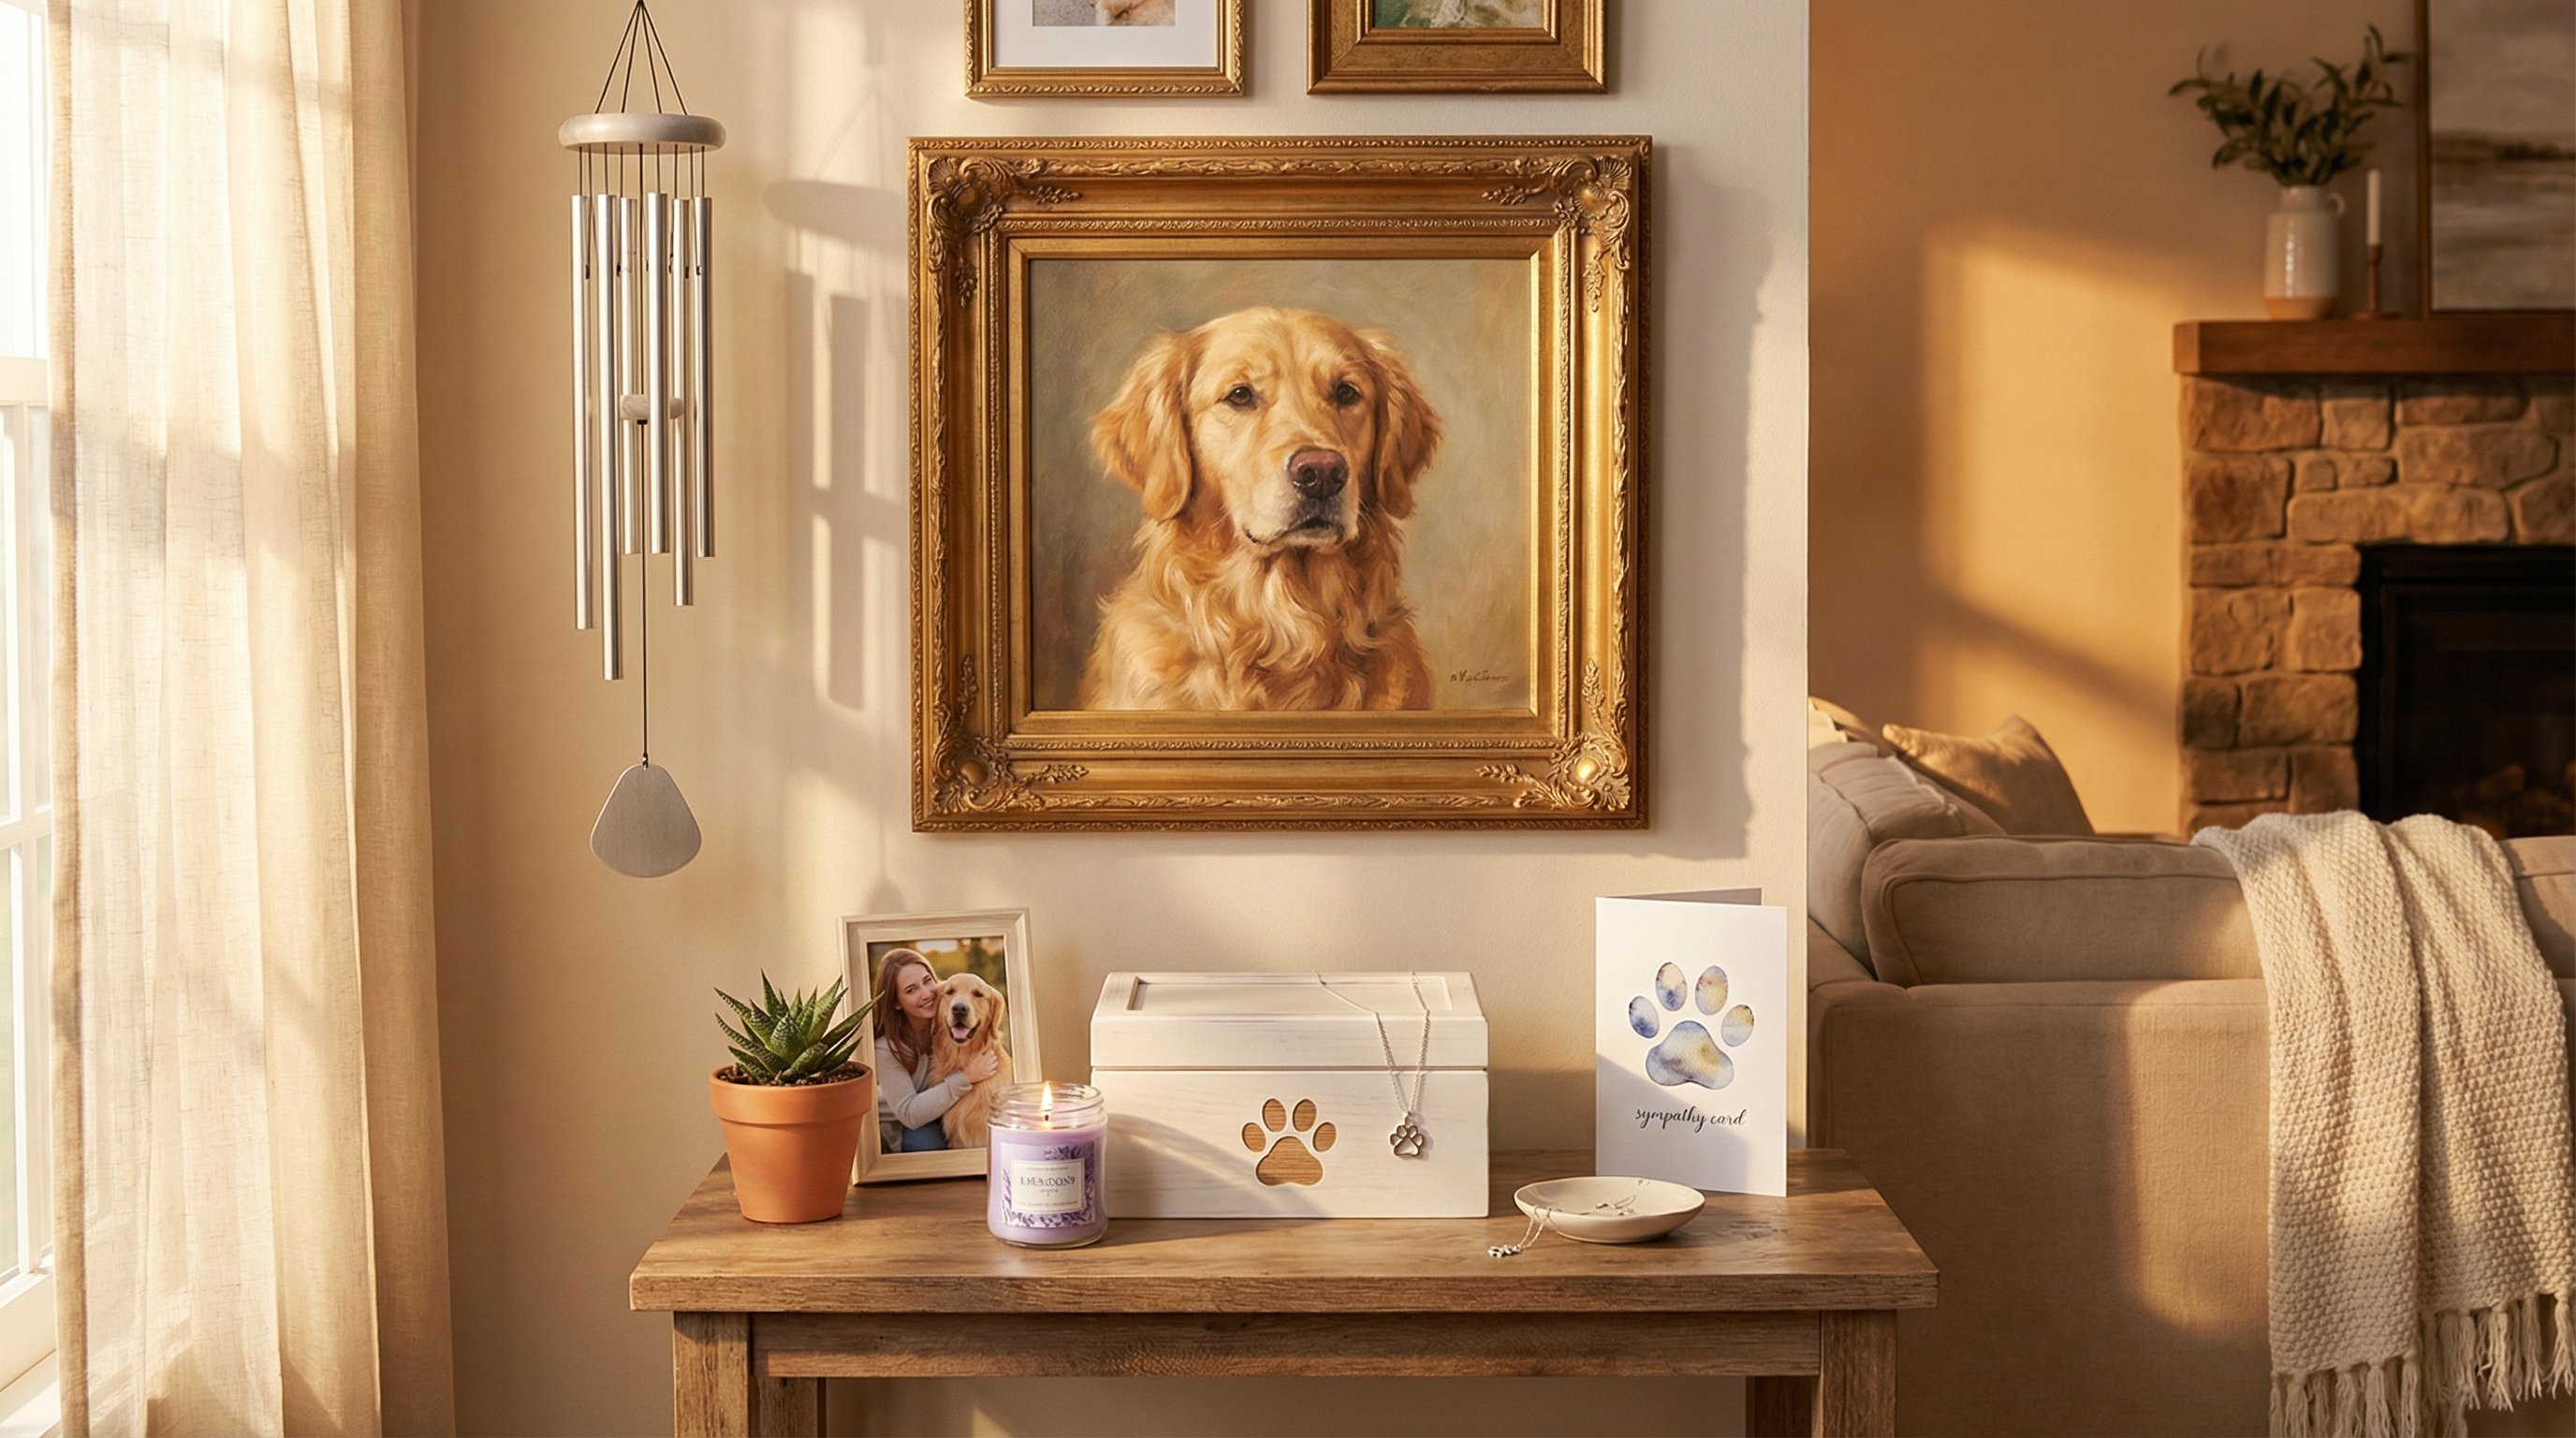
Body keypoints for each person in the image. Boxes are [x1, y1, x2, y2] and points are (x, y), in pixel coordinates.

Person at [871, 947, 1000, 1152]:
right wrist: (966, 1076)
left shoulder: (944, 1022)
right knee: (925, 1144)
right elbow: (910, 1113)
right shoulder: (886, 1049)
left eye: (927, 981)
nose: (926, 994)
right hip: (908, 1121)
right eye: (911, 990)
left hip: (943, 1108)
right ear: (896, 1002)